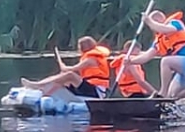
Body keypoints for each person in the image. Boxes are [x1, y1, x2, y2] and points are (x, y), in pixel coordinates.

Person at [19, 36, 150, 99]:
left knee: (69, 75)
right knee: (65, 78)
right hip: (90, 88)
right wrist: (64, 69)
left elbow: (70, 70)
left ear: (83, 47)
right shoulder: (90, 57)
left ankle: (38, 85)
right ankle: (45, 93)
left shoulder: (91, 59)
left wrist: (64, 67)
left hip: (97, 92)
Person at [125, 9, 185, 99]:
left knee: (165, 61)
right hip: (182, 71)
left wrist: (149, 21)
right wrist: (130, 61)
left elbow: (164, 29)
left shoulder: (175, 23)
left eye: (153, 25)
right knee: (172, 95)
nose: (152, 29)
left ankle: (163, 92)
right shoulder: (159, 41)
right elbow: (146, 56)